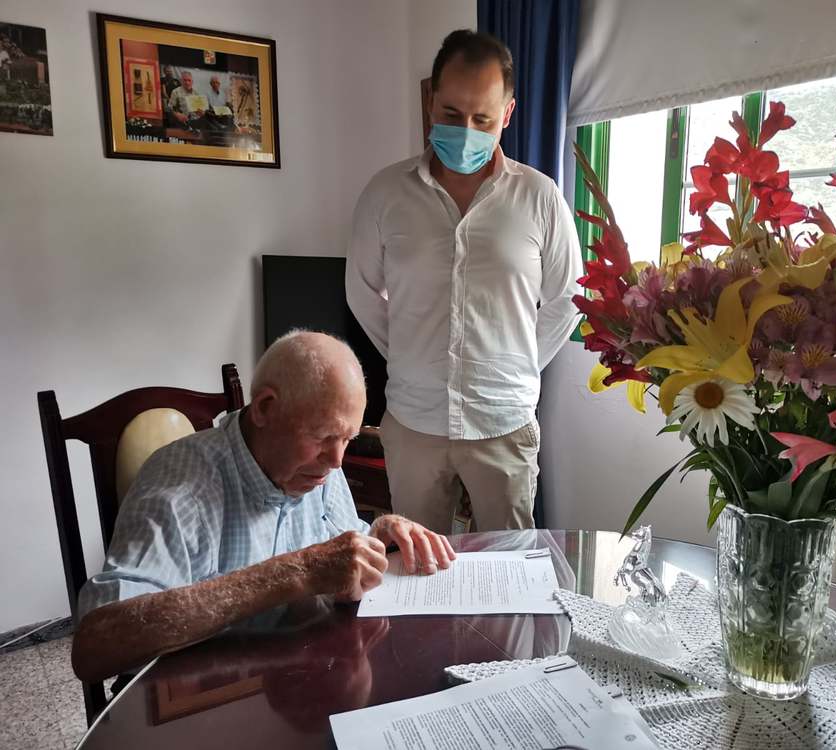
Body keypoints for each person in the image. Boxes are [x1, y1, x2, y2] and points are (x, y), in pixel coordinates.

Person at [71, 331, 455, 683]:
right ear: (266, 408)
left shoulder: (315, 465)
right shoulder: (180, 485)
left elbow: (337, 553)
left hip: (303, 675)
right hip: (209, 704)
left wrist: (379, 534)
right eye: (323, 436)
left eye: (347, 439)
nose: (337, 460)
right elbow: (95, 647)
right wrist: (296, 572)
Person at [346, 30, 581, 535]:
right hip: (414, 421)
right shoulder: (385, 194)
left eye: (483, 119)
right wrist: (409, 354)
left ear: (508, 114)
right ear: (431, 101)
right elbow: (362, 292)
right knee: (415, 564)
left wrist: (516, 363)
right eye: (452, 114)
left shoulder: (539, 197)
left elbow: (568, 298)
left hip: (504, 422)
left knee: (508, 566)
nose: (467, 131)